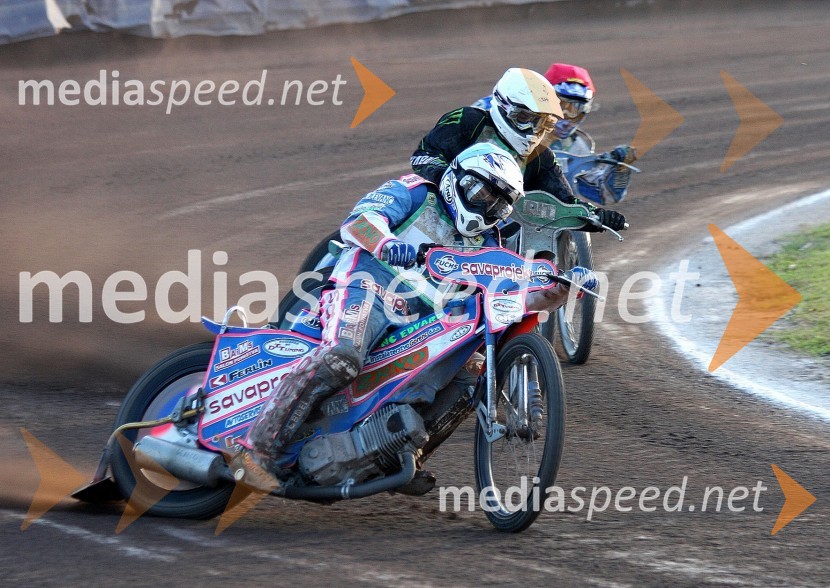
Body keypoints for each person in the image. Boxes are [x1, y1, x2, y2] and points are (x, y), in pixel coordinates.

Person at [231, 144, 597, 492]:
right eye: (483, 194)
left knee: (471, 375)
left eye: (499, 204)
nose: (488, 208)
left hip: (423, 321)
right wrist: (388, 244)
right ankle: (259, 449)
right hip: (369, 286)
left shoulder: (491, 244)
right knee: (343, 355)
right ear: (458, 179)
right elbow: (358, 222)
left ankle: (397, 458)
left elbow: (513, 297)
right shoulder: (415, 192)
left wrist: (562, 290)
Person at [414, 67, 626, 230]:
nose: (533, 129)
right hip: (439, 213)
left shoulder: (542, 156)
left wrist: (597, 216)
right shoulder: (469, 120)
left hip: (493, 233)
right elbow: (423, 157)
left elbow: (566, 202)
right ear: (504, 106)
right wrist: (455, 179)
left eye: (542, 122)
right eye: (525, 118)